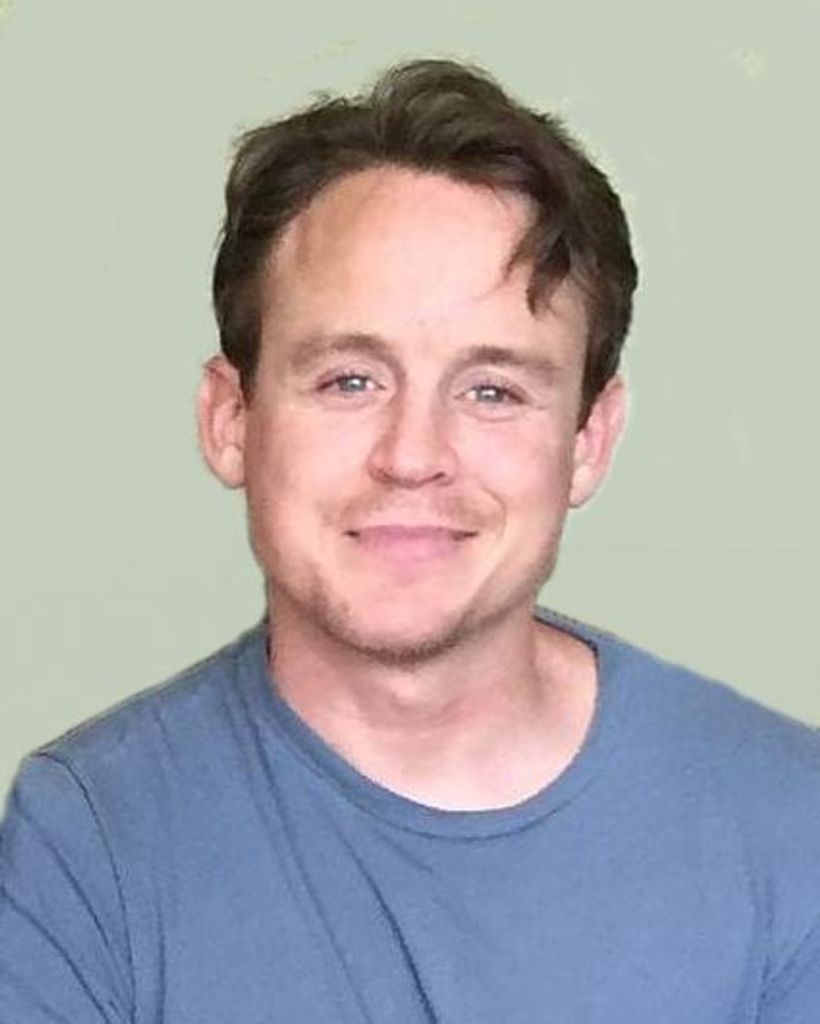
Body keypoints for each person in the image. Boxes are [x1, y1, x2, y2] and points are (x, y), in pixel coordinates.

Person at [1, 57, 819, 1023]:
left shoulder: (791, 825)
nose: (413, 456)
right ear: (231, 419)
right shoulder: (90, 837)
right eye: (350, 380)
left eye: (493, 390)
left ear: (588, 442)